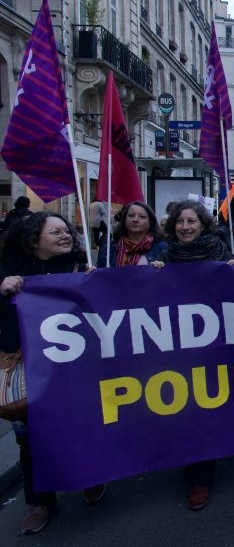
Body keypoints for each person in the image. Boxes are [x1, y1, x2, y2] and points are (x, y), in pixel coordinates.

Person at [0, 212, 104, 534]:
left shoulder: (78, 268)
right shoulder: (8, 272)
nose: (65, 236)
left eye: (66, 231)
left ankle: (88, 475)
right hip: (28, 367)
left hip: (73, 366)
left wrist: (94, 283)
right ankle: (40, 500)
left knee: (80, 423)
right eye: (55, 231)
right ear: (34, 239)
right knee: (31, 436)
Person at [150, 201, 234, 510]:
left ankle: (201, 477)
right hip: (175, 346)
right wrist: (152, 274)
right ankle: (190, 461)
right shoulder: (164, 255)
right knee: (183, 407)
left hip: (212, 345)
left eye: (191, 221)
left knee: (204, 407)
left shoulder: (220, 252)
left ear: (203, 225)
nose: (185, 227)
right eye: (180, 222)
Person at [97, 201, 167, 268]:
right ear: (124, 220)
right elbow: (99, 276)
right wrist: (92, 271)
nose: (135, 220)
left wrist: (161, 269)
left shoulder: (162, 249)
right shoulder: (110, 249)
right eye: (131, 216)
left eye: (142, 217)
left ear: (150, 222)